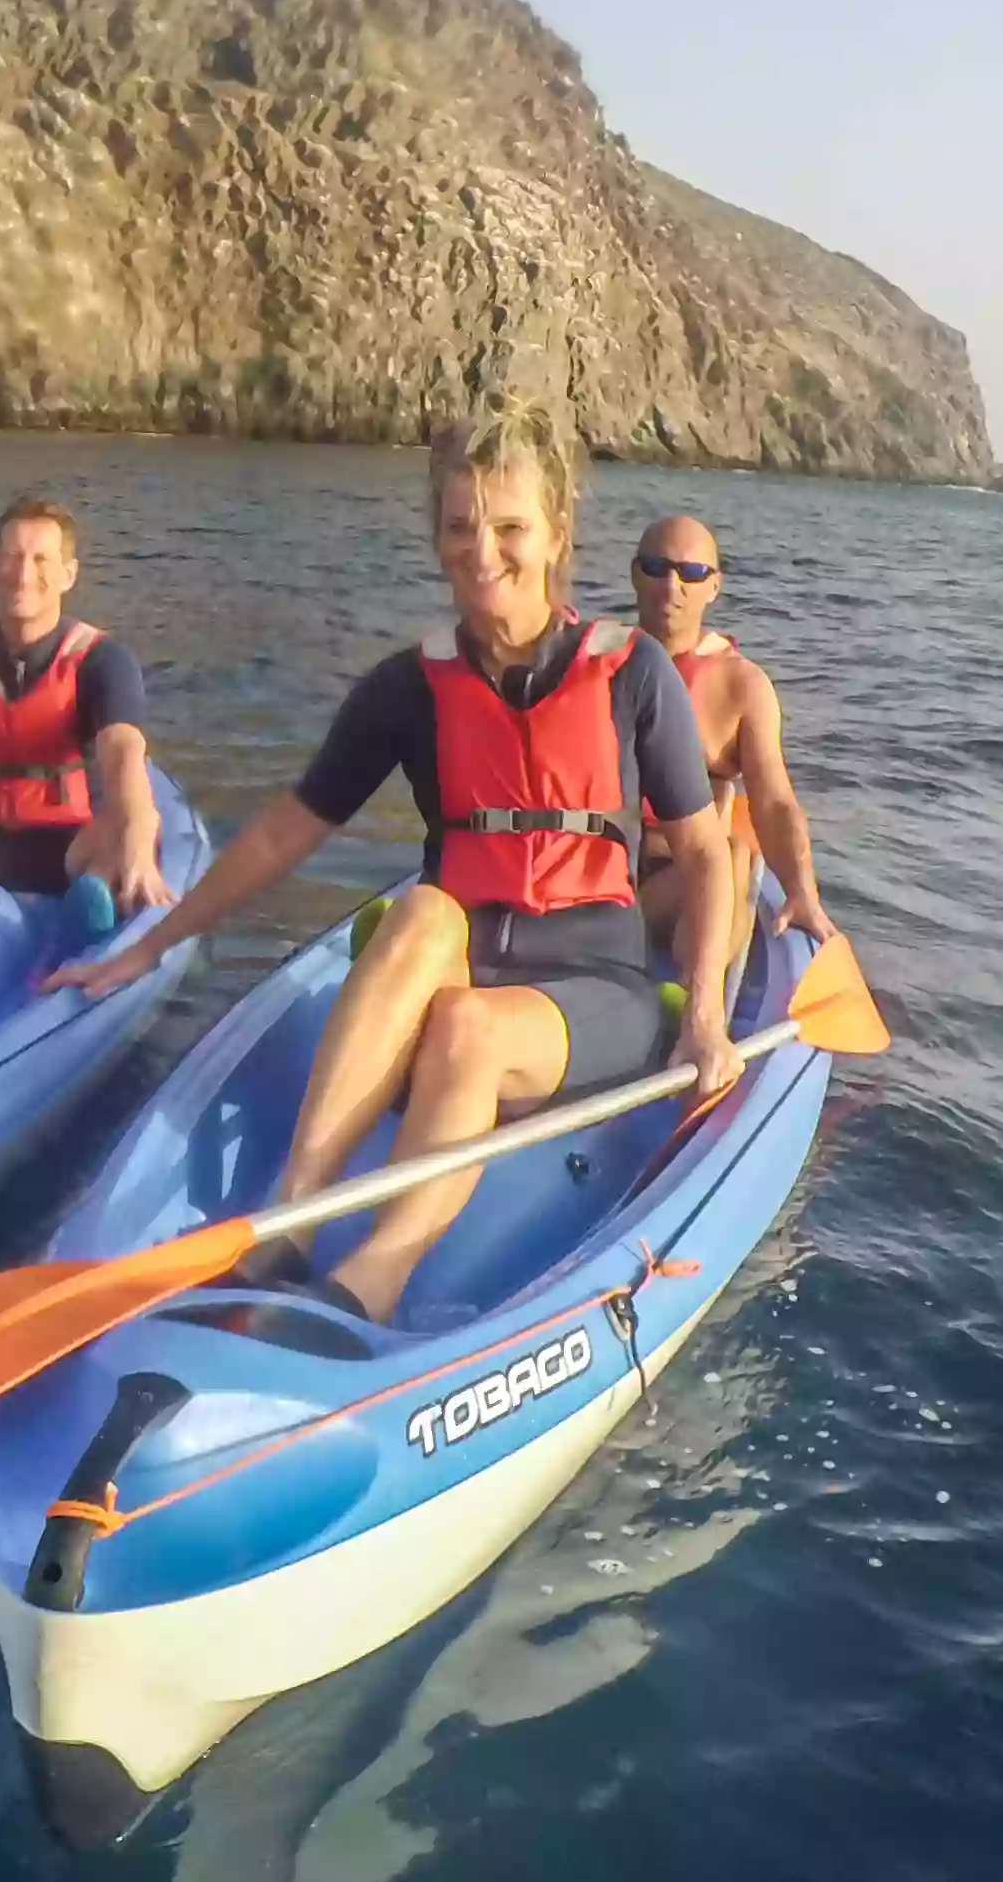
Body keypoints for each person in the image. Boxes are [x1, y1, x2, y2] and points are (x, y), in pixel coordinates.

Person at [53, 394, 741, 1324]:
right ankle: (285, 1229)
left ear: (555, 534)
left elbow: (706, 857)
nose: (482, 550)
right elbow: (281, 835)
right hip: (468, 949)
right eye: (460, 526)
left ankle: (369, 1284)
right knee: (421, 910)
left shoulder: (630, 675)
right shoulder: (406, 687)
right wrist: (146, 948)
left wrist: (704, 1016)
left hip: (596, 988)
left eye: (509, 526)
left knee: (464, 1026)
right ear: (434, 534)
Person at [0, 497, 176, 914]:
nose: (23, 574)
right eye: (12, 557)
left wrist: (139, 840)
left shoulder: (103, 661)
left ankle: (90, 919)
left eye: (41, 560)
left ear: (69, 575)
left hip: (71, 844)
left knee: (123, 832)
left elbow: (123, 750)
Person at [627, 512, 836, 972]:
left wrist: (801, 891)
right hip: (595, 867)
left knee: (728, 858)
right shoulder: (594, 661)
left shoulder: (741, 687)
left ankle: (688, 1001)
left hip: (679, 873)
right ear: (635, 575)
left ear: (714, 587)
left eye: (692, 572)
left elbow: (775, 802)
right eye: (657, 568)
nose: (672, 585)